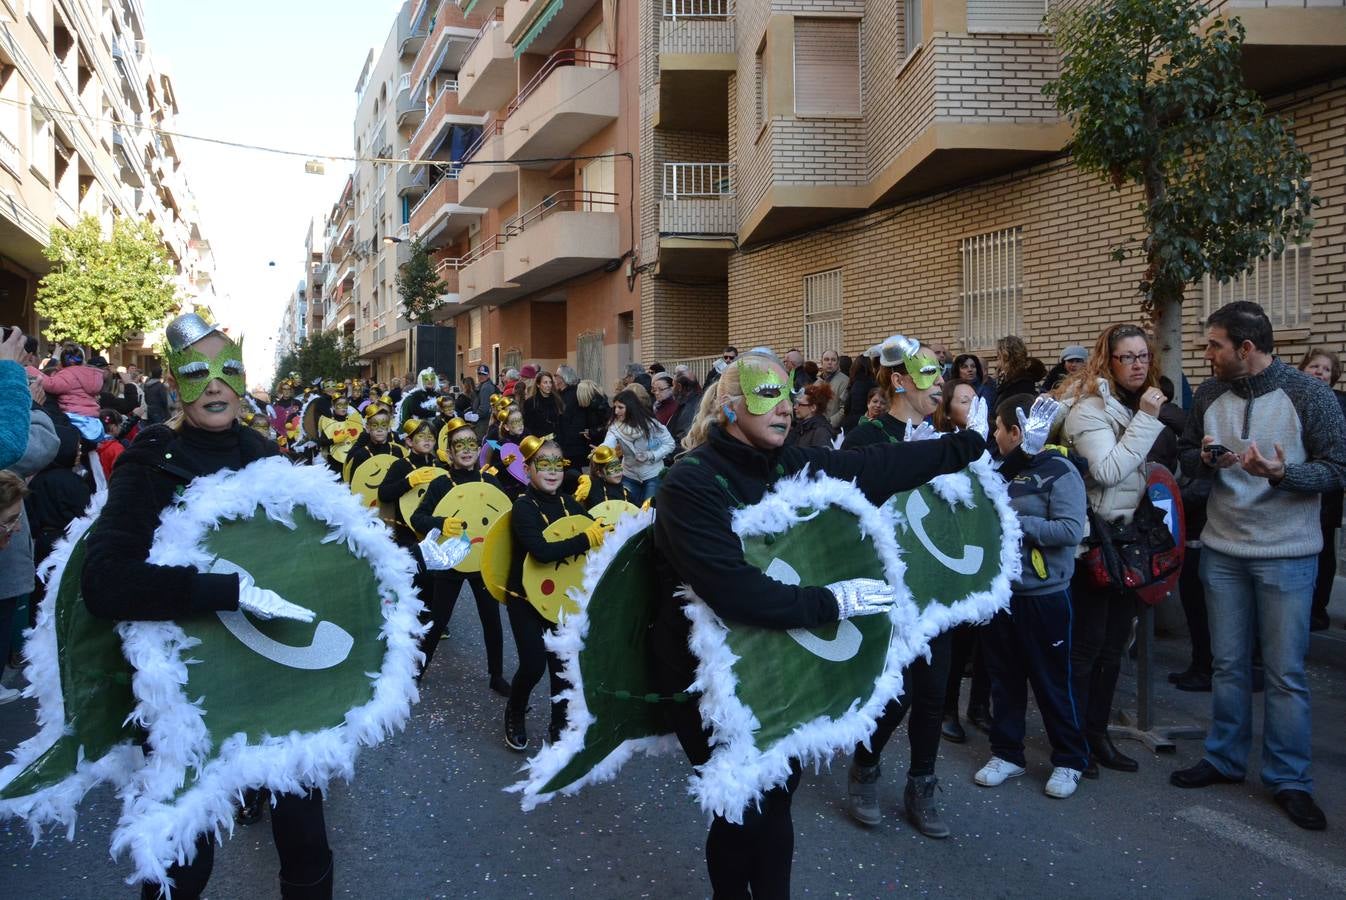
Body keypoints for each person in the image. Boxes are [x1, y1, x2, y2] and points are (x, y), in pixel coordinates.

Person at [653, 349, 987, 894]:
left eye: (788, 395)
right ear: (730, 409)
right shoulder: (689, 483)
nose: (784, 407)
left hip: (785, 664)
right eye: (767, 396)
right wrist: (833, 603)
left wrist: (975, 444)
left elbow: (878, 468)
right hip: (708, 679)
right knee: (741, 807)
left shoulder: (790, 464)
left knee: (777, 801)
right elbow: (732, 590)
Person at [80, 313, 333, 898]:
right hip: (187, 694)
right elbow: (106, 582)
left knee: (306, 843)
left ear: (243, 380)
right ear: (174, 381)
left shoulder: (271, 458)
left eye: (228, 369)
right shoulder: (150, 460)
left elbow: (311, 565)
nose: (215, 384)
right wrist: (222, 592)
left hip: (273, 678)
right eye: (197, 371)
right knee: (183, 864)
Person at [1170, 301, 1345, 833]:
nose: (1207, 354)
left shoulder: (1309, 394)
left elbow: (1337, 469)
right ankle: (1223, 759)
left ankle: (1289, 779)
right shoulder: (1207, 393)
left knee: (1285, 674)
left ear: (1246, 349)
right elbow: (1184, 453)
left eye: (1215, 345)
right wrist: (1203, 458)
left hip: (1287, 557)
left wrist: (1282, 473)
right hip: (1222, 551)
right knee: (1226, 664)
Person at [841, 337, 959, 837]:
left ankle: (923, 784)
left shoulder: (941, 437)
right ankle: (865, 766)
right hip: (886, 587)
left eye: (941, 373)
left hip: (936, 586)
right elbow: (848, 512)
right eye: (929, 374)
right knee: (899, 692)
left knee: (935, 691)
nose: (939, 385)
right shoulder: (865, 437)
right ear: (898, 380)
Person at [1055, 323, 1166, 778]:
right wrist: (1146, 419)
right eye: (1128, 357)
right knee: (1087, 647)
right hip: (1095, 543)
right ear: (1108, 360)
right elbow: (1105, 471)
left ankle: (1096, 735)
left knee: (1113, 647)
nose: (1138, 364)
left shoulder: (1131, 404)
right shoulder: (1090, 410)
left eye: (1143, 356)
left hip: (1129, 540)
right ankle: (1073, 740)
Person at [975, 394, 1090, 799]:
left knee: (1051, 680)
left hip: (1044, 596)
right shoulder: (1001, 470)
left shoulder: (1061, 472)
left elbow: (1070, 531)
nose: (994, 435)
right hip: (1001, 595)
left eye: (998, 428)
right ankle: (1007, 754)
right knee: (1004, 679)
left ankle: (1070, 760)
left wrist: (1013, 522)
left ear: (1016, 431)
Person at [502, 437, 602, 750]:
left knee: (562, 668)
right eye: (543, 464)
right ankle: (515, 712)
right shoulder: (523, 507)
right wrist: (586, 538)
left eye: (557, 464)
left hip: (562, 599)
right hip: (525, 600)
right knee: (533, 665)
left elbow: (598, 532)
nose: (551, 471)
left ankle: (559, 725)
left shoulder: (569, 504)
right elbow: (541, 551)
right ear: (528, 469)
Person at [410, 418, 510, 694]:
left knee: (491, 618)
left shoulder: (490, 481)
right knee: (438, 618)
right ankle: (417, 670)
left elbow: (505, 517)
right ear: (450, 453)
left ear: (478, 449)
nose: (466, 450)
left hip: (482, 561)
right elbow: (418, 518)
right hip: (451, 561)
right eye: (459, 446)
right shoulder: (441, 484)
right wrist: (440, 523)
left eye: (471, 444)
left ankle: (497, 675)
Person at [1297, 347, 1346, 631]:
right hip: (1294, 485)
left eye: (1326, 369)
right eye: (1315, 366)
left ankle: (1318, 609)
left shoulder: (1340, 403)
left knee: (1324, 551)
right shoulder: (1291, 399)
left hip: (1326, 491)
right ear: (1303, 369)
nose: (1320, 372)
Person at [602, 388, 675, 504]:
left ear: (631, 408)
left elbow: (670, 444)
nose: (616, 411)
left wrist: (651, 455)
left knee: (649, 512)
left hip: (653, 474)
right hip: (629, 474)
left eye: (620, 407)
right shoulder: (614, 427)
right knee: (629, 510)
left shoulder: (651, 424)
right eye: (615, 407)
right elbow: (609, 443)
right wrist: (602, 450)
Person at [31, 344, 104, 442]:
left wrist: (30, 370)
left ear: (62, 363)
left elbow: (51, 384)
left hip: (75, 417)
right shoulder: (91, 375)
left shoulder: (68, 374)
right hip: (92, 419)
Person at [788, 382, 836, 449]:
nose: (795, 407)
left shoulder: (821, 432)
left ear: (813, 408)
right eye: (795, 403)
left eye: (799, 404)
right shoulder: (801, 426)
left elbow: (822, 457)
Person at [522, 371, 564, 438]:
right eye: (545, 382)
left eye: (550, 382)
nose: (548, 385)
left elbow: (561, 423)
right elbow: (527, 425)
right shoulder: (530, 403)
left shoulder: (557, 400)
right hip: (537, 441)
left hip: (556, 441)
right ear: (538, 385)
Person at [994, 336, 1038, 401]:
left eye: (999, 356)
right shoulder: (1008, 379)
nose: (997, 359)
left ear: (1007, 357)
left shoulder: (1021, 383)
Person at [840, 355, 874, 433]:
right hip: (867, 423)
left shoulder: (853, 384)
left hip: (852, 424)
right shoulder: (873, 384)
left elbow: (847, 407)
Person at [667, 375, 702, 449]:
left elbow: (683, 440)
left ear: (679, 387)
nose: (672, 389)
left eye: (673, 385)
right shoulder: (689, 401)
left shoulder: (690, 407)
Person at [817, 349, 849, 427]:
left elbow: (845, 408)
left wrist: (830, 422)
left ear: (838, 363)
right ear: (821, 363)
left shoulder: (845, 381)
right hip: (817, 426)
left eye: (833, 360)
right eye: (826, 359)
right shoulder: (817, 382)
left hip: (832, 428)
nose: (830, 362)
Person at [472, 365, 499, 439]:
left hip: (483, 423)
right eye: (479, 374)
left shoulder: (486, 387)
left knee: (481, 442)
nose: (481, 376)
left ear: (488, 375)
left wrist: (474, 416)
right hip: (485, 421)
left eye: (483, 374)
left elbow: (484, 408)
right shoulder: (484, 385)